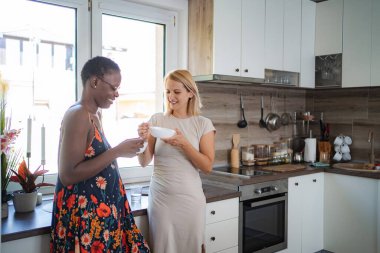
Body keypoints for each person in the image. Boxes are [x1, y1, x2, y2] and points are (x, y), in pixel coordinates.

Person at [50, 56, 150, 253]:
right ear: (95, 82)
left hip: (99, 219)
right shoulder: (78, 115)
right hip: (84, 220)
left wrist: (125, 150)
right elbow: (68, 174)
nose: (117, 94)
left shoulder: (94, 114)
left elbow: (93, 158)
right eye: (113, 88)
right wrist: (118, 151)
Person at [137, 69, 216, 253]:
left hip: (190, 200)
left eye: (177, 91)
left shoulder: (203, 123)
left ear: (190, 93)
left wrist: (184, 144)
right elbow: (143, 161)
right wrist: (142, 140)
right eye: (168, 91)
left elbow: (207, 166)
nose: (171, 96)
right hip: (161, 200)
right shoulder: (157, 120)